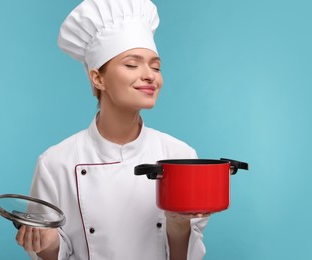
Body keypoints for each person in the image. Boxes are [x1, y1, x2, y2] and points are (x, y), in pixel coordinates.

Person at [16, 0, 209, 259]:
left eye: (156, 66)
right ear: (98, 78)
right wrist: (48, 244)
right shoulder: (56, 163)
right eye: (132, 65)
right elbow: (52, 251)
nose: (150, 75)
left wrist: (177, 223)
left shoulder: (180, 155)